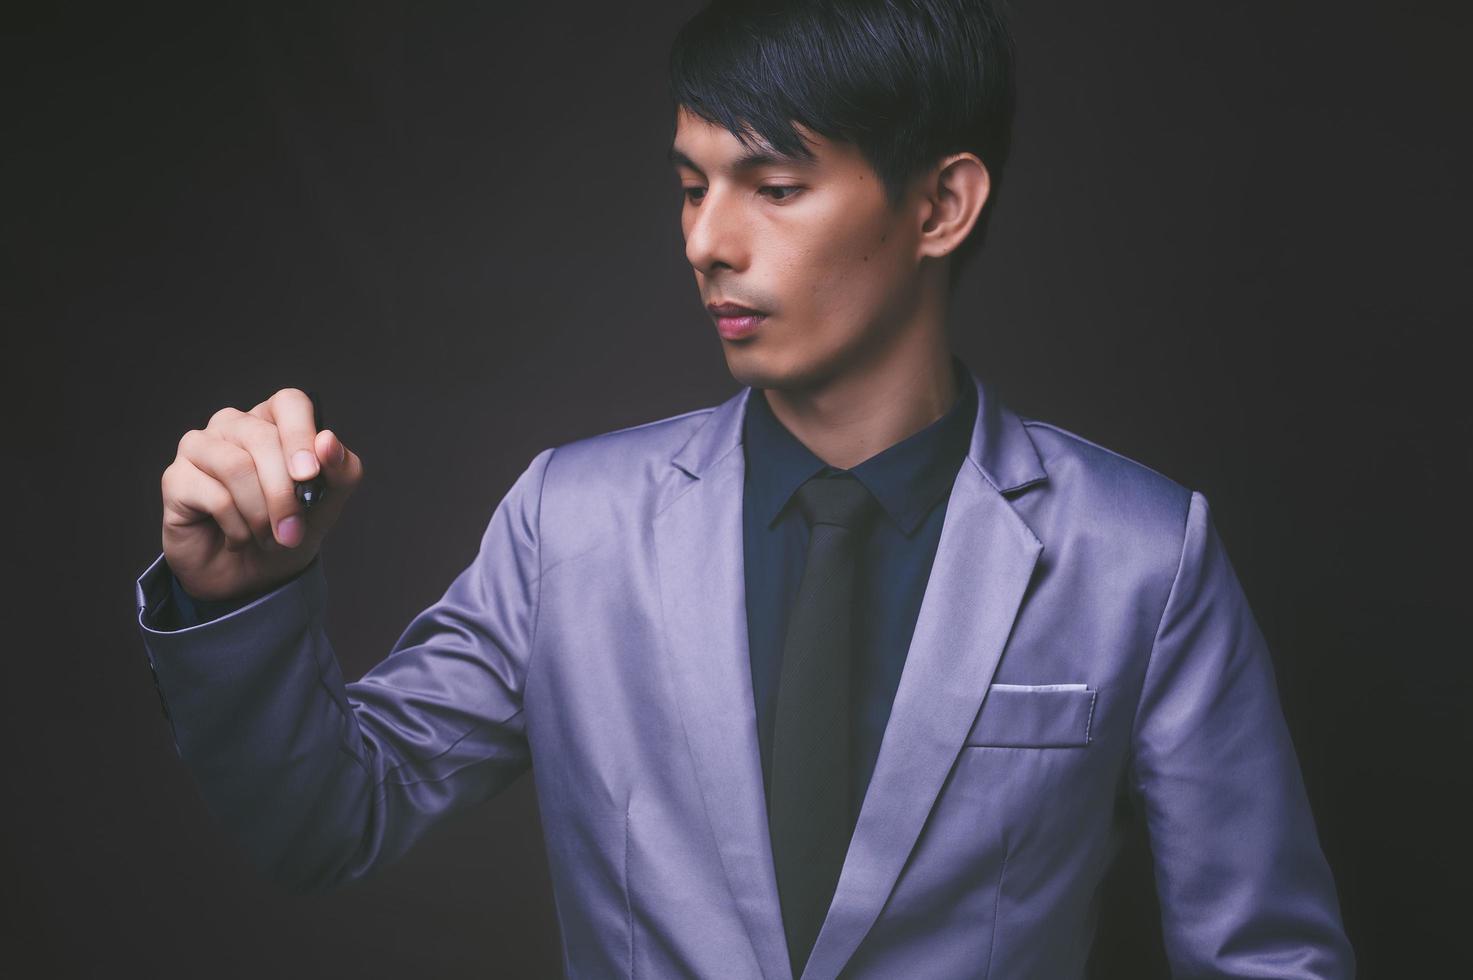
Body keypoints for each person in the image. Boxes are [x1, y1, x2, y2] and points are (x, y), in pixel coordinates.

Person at [133, 1, 1354, 977]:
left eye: (772, 187)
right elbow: (331, 817)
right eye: (689, 182)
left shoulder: (1141, 551)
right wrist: (243, 598)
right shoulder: (575, 520)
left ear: (941, 204)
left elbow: (1269, 954)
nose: (705, 239)